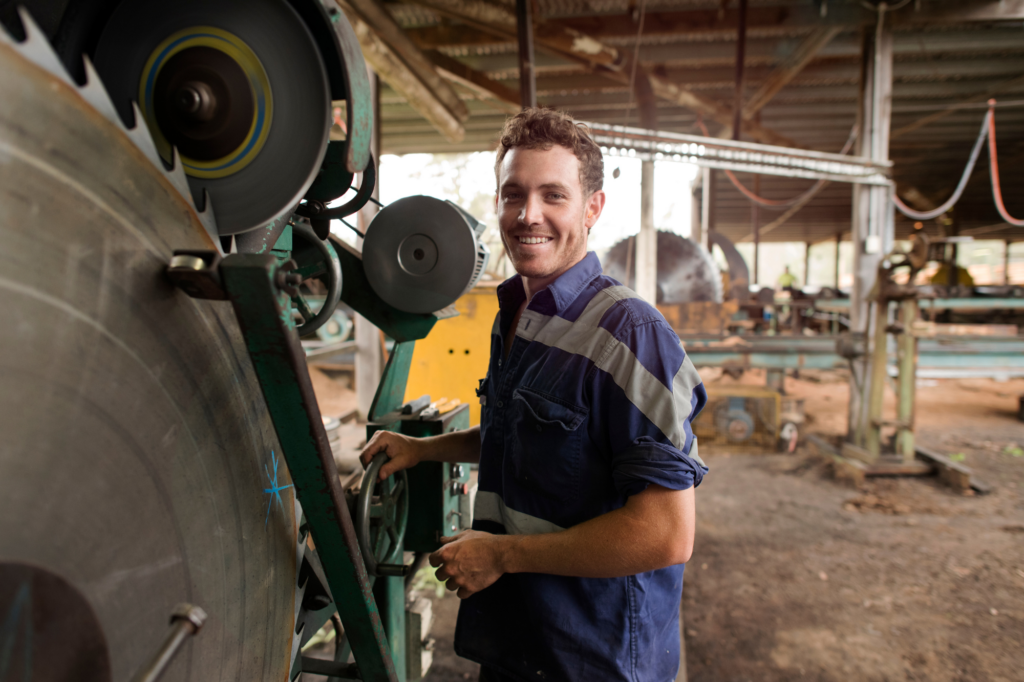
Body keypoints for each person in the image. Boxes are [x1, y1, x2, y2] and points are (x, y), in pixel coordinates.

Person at [359, 108, 707, 682]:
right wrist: (424, 450)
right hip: (517, 640)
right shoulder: (514, 315)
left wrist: (500, 554)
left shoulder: (631, 336)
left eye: (554, 196)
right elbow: (524, 435)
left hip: (594, 656)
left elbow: (666, 533)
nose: (528, 215)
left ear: (593, 208)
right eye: (513, 194)